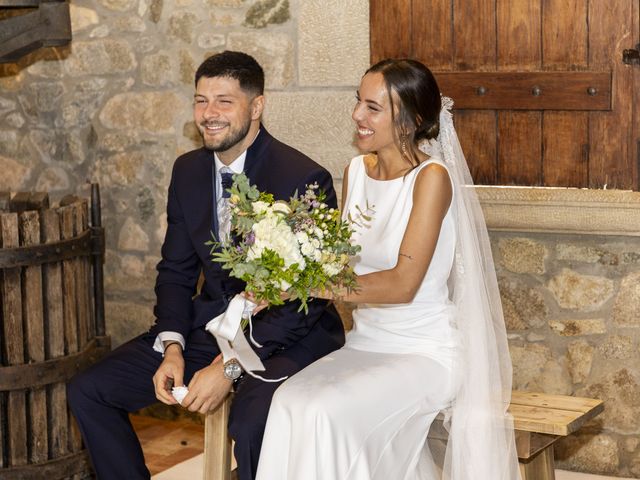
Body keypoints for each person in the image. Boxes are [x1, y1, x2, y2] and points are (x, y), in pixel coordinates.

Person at [67, 51, 345, 480]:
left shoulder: (303, 179)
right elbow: (175, 271)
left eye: (223, 101)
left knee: (251, 423)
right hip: (211, 324)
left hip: (286, 335)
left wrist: (228, 367)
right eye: (200, 101)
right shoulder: (188, 171)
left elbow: (303, 301)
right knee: (90, 390)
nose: (208, 114)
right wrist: (173, 346)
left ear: (256, 107)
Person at [255, 59, 520, 480]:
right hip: (366, 343)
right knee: (289, 401)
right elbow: (338, 262)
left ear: (410, 121)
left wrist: (309, 285)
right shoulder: (355, 171)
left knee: (325, 411)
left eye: (373, 107)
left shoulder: (432, 179)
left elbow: (402, 284)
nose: (358, 115)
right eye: (359, 101)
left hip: (423, 351)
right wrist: (282, 263)